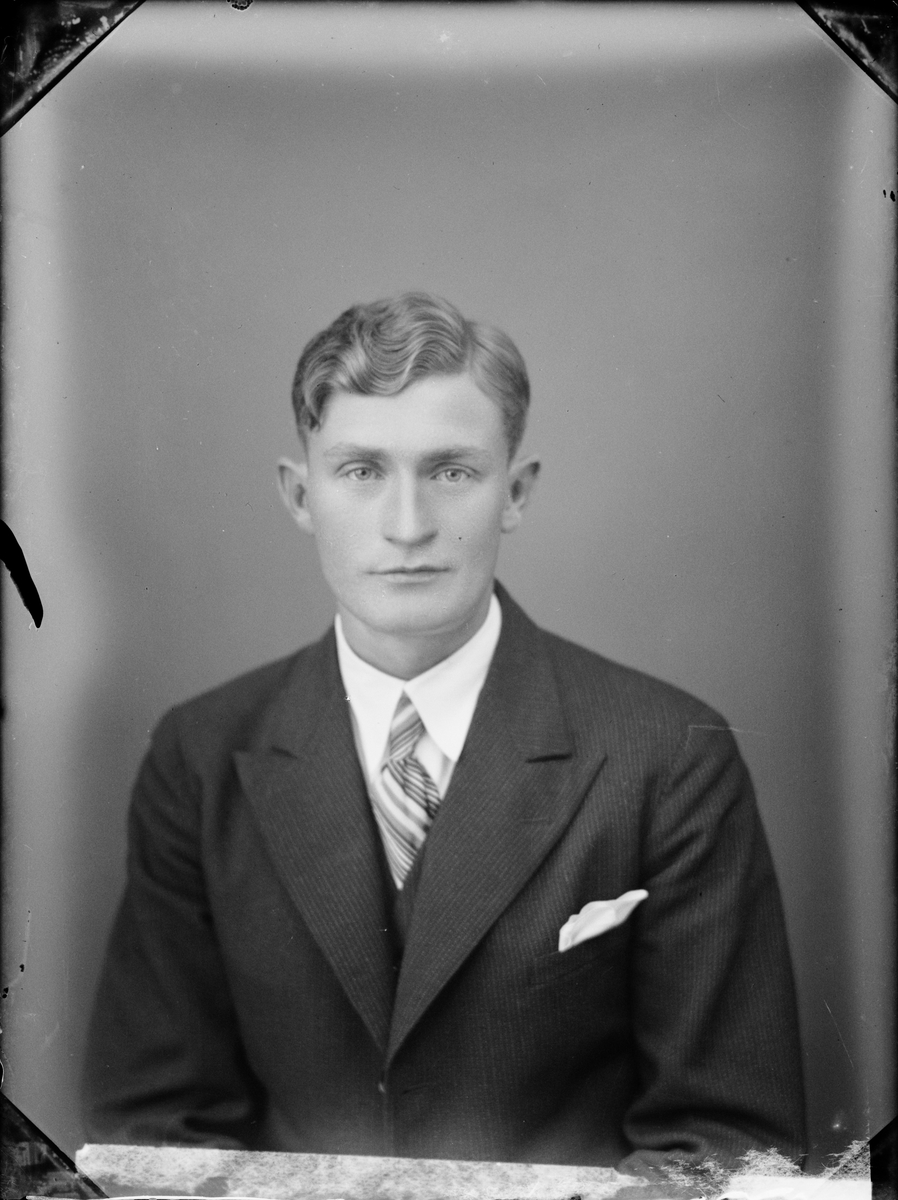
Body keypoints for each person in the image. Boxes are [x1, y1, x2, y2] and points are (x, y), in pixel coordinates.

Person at [82, 292, 806, 1176]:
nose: (407, 525)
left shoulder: (669, 754)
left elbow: (730, 1149)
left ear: (516, 492)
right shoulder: (199, 756)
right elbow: (155, 1137)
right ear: (300, 494)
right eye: (360, 471)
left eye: (452, 472)